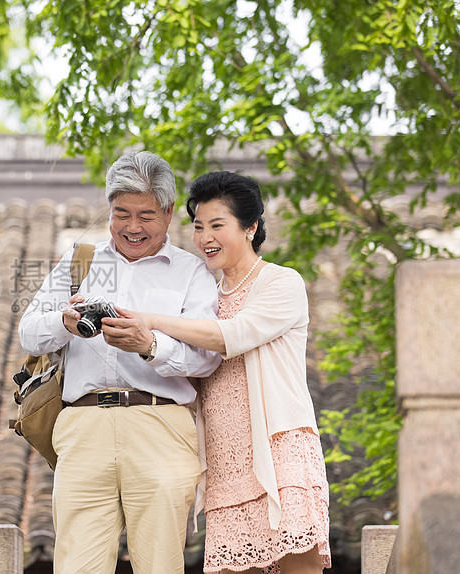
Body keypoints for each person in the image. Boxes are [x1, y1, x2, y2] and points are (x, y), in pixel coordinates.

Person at [105, 170, 332, 573]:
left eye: (217, 225)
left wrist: (149, 320)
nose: (205, 237)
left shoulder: (280, 282)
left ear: (251, 227)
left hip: (279, 449)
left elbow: (231, 335)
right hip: (226, 464)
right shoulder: (203, 295)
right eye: (198, 226)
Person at [18, 151, 222, 574]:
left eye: (145, 215)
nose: (132, 227)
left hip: (161, 425)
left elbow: (207, 358)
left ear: (167, 214)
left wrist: (149, 345)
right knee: (77, 565)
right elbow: (28, 332)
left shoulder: (191, 272)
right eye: (121, 213)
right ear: (108, 210)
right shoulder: (79, 262)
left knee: (159, 565)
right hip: (82, 424)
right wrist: (65, 322)